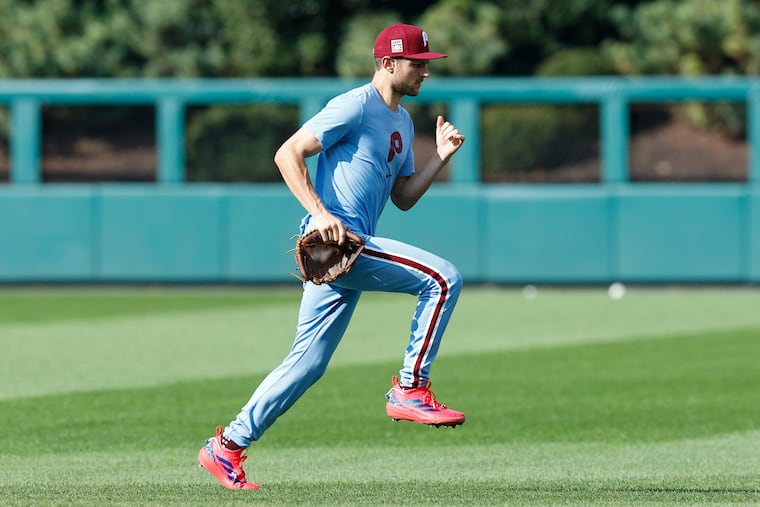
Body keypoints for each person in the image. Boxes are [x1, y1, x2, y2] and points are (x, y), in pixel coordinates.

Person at [198, 22, 466, 490]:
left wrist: (438, 158)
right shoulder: (354, 105)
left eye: (427, 64)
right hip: (338, 244)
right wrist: (319, 212)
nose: (425, 71)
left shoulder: (402, 120)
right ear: (388, 63)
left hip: (347, 252)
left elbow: (403, 197)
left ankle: (227, 447)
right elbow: (288, 154)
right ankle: (410, 388)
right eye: (417, 64)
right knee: (442, 279)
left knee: (307, 364)